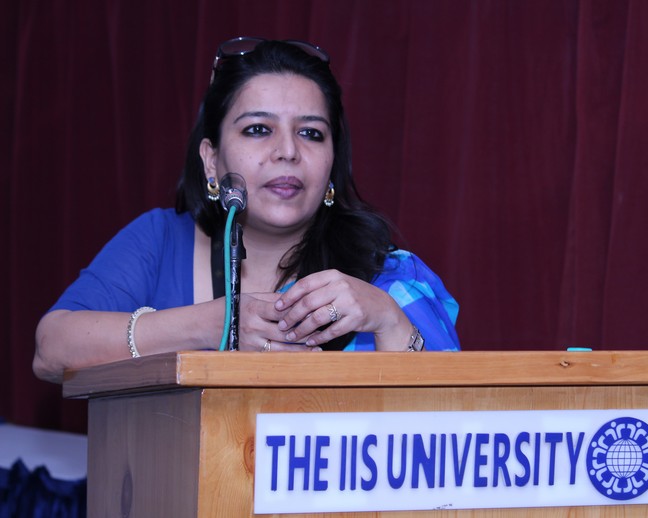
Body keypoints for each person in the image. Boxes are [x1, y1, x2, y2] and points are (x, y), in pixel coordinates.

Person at [33, 37, 460, 384]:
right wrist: (214, 323)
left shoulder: (386, 275)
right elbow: (51, 351)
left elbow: (453, 429)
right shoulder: (160, 242)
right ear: (211, 159)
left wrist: (387, 320)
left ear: (333, 165)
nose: (288, 151)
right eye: (258, 129)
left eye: (311, 133)